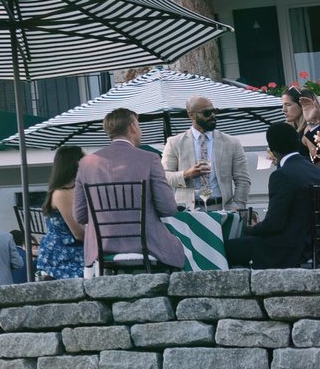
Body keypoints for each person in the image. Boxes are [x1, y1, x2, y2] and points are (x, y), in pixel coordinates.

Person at [72, 108, 187, 270]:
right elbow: (168, 208)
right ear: (132, 127)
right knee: (184, 248)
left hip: (101, 246)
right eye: (139, 125)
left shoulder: (86, 164)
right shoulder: (150, 159)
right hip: (148, 244)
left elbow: (80, 215)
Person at [224, 121, 320, 269]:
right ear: (297, 142)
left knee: (227, 248)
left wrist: (247, 228)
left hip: (290, 249)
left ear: (272, 149)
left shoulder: (282, 175)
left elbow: (274, 224)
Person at [162, 95, 254, 212]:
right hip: (188, 212)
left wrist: (237, 206)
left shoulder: (231, 143)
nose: (212, 116)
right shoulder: (174, 143)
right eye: (206, 113)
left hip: (222, 210)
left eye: (214, 111)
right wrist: (186, 174)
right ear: (191, 115)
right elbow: (164, 176)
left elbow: (243, 179)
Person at [35, 145, 87, 280]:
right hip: (63, 257)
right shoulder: (62, 193)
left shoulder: (74, 190)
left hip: (71, 253)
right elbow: (79, 232)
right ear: (76, 163)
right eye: (85, 158)